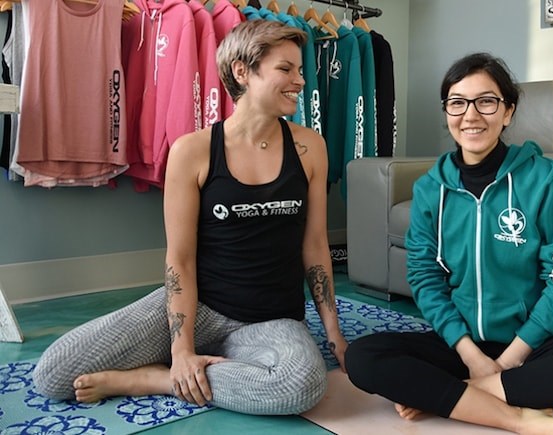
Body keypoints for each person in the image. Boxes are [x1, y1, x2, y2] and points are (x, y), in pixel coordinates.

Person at [33, 19, 348, 416]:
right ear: (242, 71)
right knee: (54, 374)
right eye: (285, 69)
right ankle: (175, 373)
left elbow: (316, 244)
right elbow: (179, 259)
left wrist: (334, 334)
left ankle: (155, 380)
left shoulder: (309, 148)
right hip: (201, 307)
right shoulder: (192, 151)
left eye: (300, 71)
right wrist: (181, 351)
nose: (299, 81)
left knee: (299, 385)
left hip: (270, 320)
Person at [344, 52, 553, 434]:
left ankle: (457, 396)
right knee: (363, 356)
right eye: (457, 103)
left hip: (530, 347)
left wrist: (511, 359)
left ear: (507, 112)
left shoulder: (544, 179)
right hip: (459, 345)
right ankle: (518, 417)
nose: (470, 115)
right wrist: (469, 354)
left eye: (486, 101)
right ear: (447, 112)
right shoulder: (431, 189)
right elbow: (425, 278)